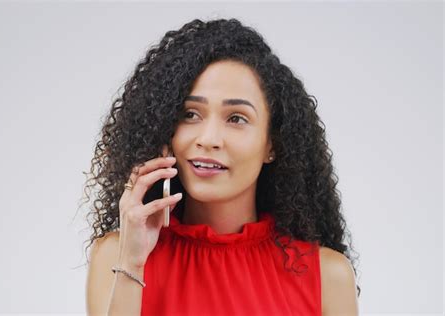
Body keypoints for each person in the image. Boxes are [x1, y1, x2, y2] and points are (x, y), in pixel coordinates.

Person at [82, 18, 360, 315]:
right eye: (190, 114)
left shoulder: (328, 276)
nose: (209, 139)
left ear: (273, 145)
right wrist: (132, 263)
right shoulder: (116, 256)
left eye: (236, 118)